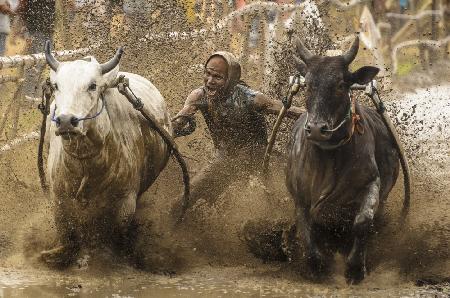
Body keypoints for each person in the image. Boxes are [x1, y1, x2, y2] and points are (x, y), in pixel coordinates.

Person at [171, 51, 304, 215]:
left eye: (217, 77)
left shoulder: (251, 98)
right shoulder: (199, 95)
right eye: (207, 74)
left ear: (230, 79)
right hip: (223, 161)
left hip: (259, 162)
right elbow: (177, 123)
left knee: (286, 203)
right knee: (179, 204)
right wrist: (165, 130)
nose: (210, 81)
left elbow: (291, 111)